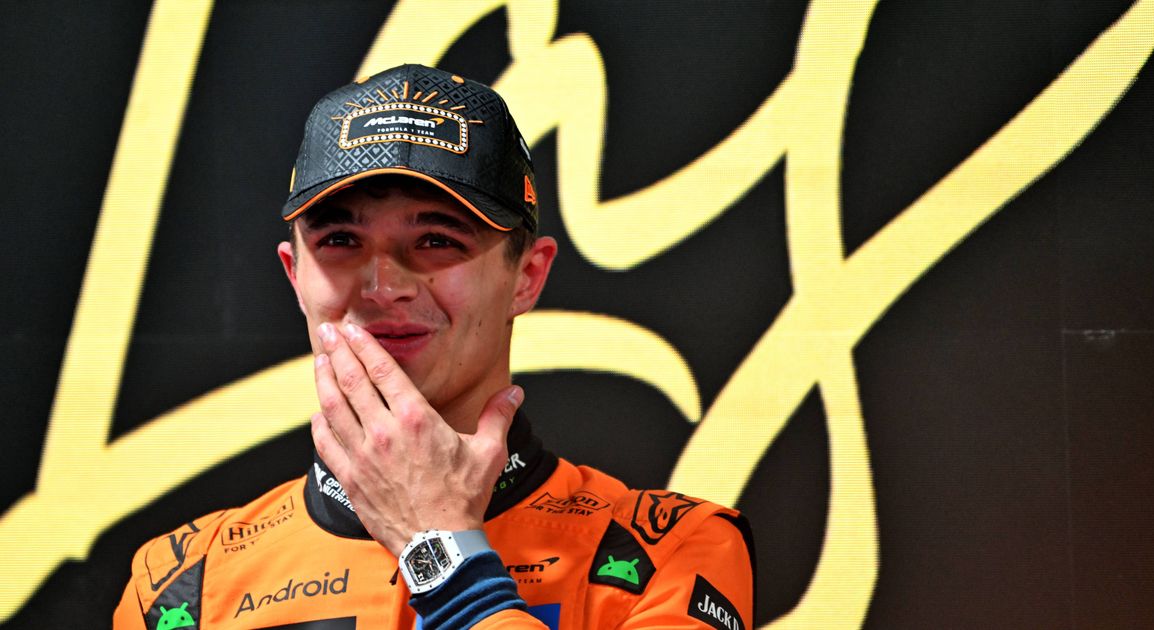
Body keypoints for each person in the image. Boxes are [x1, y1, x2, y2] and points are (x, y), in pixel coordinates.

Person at [114, 64, 754, 629]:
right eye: (340, 241)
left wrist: (442, 551)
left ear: (526, 277)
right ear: (294, 275)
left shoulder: (671, 551)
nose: (384, 285)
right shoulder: (182, 584)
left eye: (438, 240)